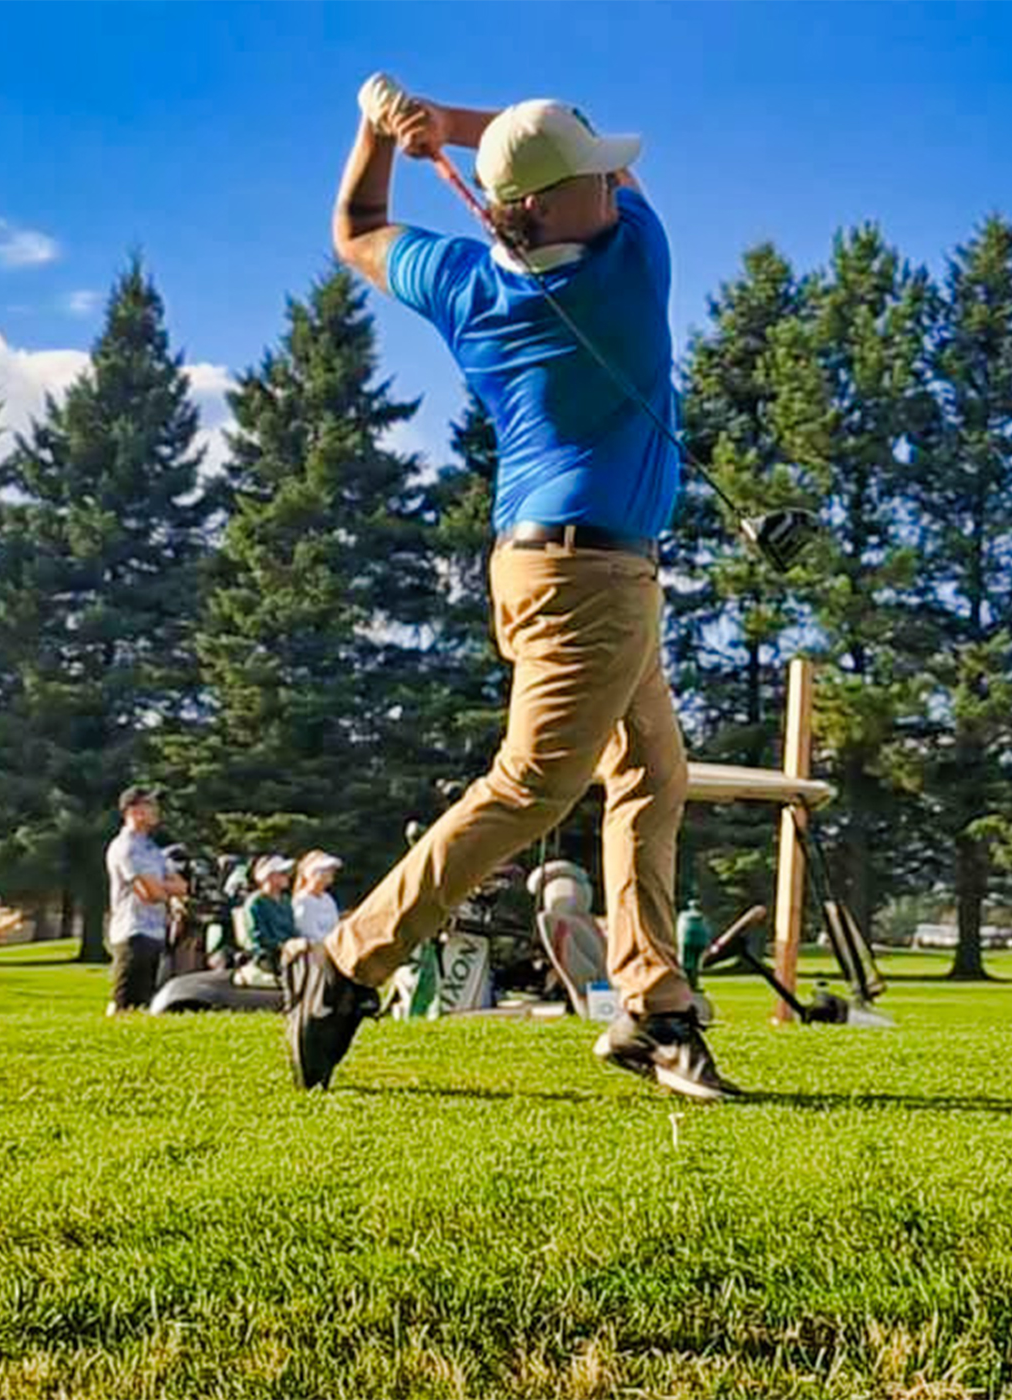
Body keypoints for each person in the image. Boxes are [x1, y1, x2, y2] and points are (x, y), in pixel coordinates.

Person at [282, 81, 734, 1103]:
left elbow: (354, 226)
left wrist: (377, 131)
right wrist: (446, 121)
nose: (610, 181)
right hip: (590, 577)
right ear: (543, 205)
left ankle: (650, 1009)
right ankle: (347, 960)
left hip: (552, 566)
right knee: (529, 787)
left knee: (650, 770)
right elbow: (619, 179)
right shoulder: (631, 261)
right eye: (587, 174)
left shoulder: (458, 279)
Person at [104, 786, 187, 1014]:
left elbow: (182, 886)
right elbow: (151, 894)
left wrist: (160, 885)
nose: (155, 810)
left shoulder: (152, 849)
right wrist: (162, 887)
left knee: (144, 1003)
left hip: (155, 932)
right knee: (125, 1002)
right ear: (133, 810)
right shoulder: (126, 847)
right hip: (133, 932)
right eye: (149, 804)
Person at [241, 855, 297, 974]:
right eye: (282, 873)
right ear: (269, 876)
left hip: (289, 952)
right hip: (267, 956)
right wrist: (283, 946)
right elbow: (259, 938)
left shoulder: (286, 900)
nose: (287, 876)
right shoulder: (255, 902)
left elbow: (292, 930)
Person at [292, 850, 344, 943]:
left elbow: (335, 927)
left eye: (331, 870)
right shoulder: (303, 900)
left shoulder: (328, 899)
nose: (330, 872)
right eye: (325, 869)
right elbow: (309, 933)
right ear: (312, 873)